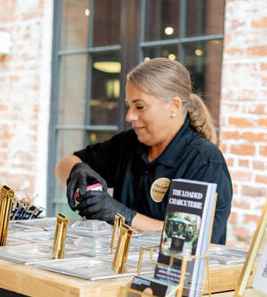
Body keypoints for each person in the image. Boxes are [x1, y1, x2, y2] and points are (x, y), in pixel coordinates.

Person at [55, 58, 232, 243]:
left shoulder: (204, 162)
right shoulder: (128, 144)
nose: (129, 116)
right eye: (129, 106)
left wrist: (122, 216)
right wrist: (78, 170)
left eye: (140, 106)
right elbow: (64, 164)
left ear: (174, 106)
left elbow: (189, 237)